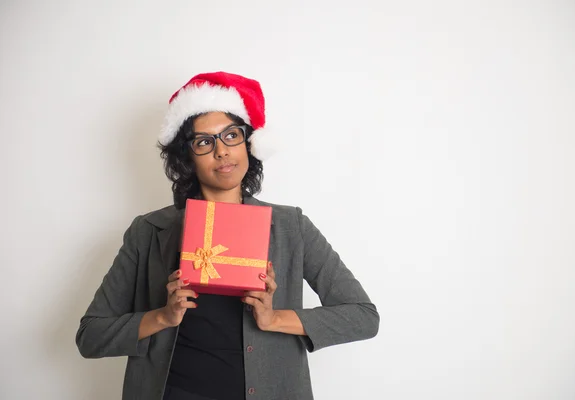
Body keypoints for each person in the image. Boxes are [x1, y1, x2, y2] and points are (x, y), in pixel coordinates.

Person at [76, 71, 380, 400]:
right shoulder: (149, 231)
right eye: (204, 141)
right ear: (188, 157)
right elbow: (91, 336)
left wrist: (274, 317)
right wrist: (163, 316)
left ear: (248, 144)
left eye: (231, 136)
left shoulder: (292, 226)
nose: (222, 151)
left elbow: (362, 317)